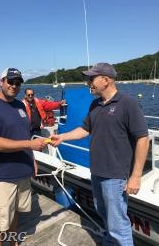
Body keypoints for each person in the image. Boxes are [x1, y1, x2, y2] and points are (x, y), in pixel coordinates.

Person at [50, 63, 149, 246]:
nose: (88, 82)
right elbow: (84, 129)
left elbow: (143, 139)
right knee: (103, 213)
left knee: (118, 224)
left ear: (106, 80)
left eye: (92, 78)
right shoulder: (95, 104)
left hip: (116, 176)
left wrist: (136, 176)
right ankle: (110, 242)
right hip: (96, 172)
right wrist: (62, 137)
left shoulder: (128, 103)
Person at [0, 68, 47, 246]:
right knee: (0, 223)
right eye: (10, 81)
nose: (14, 86)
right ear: (1, 81)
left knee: (16, 212)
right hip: (2, 175)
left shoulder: (20, 106)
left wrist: (31, 159)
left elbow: (24, 134)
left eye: (18, 83)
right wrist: (29, 145)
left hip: (22, 171)